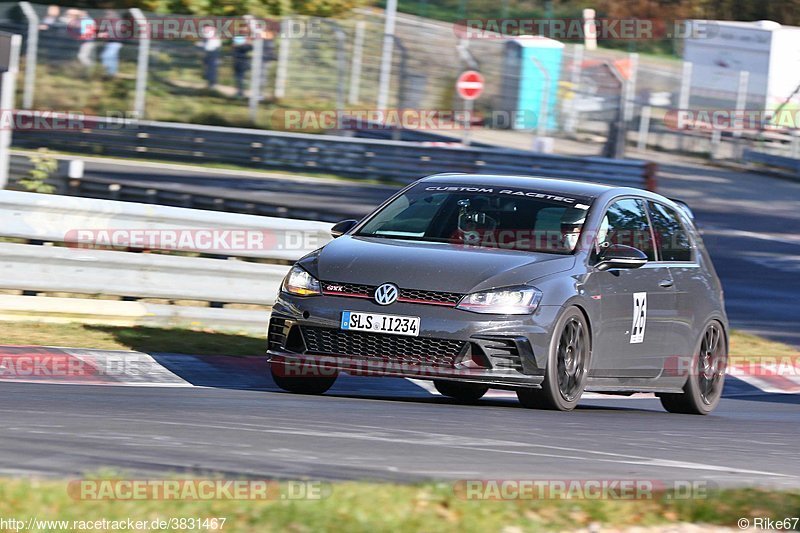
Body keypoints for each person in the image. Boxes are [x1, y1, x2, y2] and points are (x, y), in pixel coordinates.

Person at [98, 10, 123, 77]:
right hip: (110, 43)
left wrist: (105, 34)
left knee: (106, 56)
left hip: (115, 43)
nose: (106, 17)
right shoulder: (110, 23)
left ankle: (110, 72)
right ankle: (111, 72)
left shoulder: (116, 23)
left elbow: (115, 33)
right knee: (111, 58)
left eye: (107, 15)